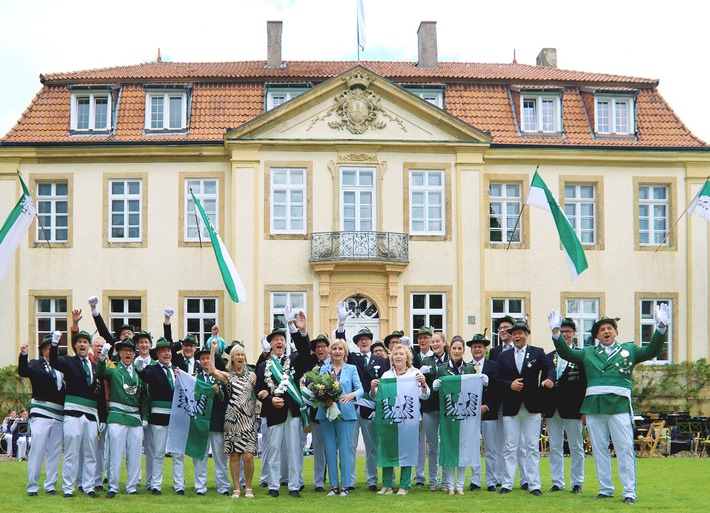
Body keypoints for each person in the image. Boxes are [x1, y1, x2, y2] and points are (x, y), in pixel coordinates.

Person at [549, 306, 669, 505]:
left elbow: (652, 351)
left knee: (624, 449)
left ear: (616, 332)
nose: (606, 331)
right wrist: (555, 333)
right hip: (594, 407)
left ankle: (629, 491)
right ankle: (605, 488)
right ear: (596, 335)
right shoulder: (588, 352)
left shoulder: (628, 350)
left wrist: (661, 328)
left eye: (609, 328)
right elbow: (566, 353)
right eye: (602, 329)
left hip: (618, 406)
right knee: (599, 450)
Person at [255, 308, 310, 499]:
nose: (279, 342)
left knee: (295, 448)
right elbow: (259, 390)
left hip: (293, 411)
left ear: (286, 343)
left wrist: (296, 329)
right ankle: (273, 484)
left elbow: (305, 352)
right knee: (274, 448)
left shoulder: (294, 359)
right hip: (274, 412)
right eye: (275, 340)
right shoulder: (264, 365)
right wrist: (271, 399)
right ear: (270, 345)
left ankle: (294, 485)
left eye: (282, 339)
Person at [495, 321, 554, 496]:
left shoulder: (537, 352)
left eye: (520, 333)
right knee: (510, 447)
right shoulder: (504, 356)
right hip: (511, 407)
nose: (517, 336)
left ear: (526, 335)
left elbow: (550, 367)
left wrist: (549, 378)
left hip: (532, 406)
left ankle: (534, 484)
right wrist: (509, 384)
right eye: (514, 334)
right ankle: (507, 483)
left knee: (531, 447)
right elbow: (496, 379)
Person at [50, 329, 105, 498]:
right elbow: (54, 362)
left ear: (89, 346)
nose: (82, 344)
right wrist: (54, 345)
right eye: (79, 342)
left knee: (91, 453)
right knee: (71, 452)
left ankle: (88, 486)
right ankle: (68, 488)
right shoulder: (68, 362)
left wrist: (102, 417)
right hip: (73, 413)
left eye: (85, 342)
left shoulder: (96, 367)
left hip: (91, 415)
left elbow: (100, 392)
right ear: (75, 345)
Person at [370, 344, 429, 495]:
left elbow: (425, 395)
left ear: (407, 357)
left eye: (401, 354)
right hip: (389, 420)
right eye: (395, 354)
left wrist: (423, 383)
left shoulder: (415, 373)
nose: (398, 357)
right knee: (388, 450)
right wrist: (373, 387)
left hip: (409, 421)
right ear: (391, 358)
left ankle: (404, 484)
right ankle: (387, 485)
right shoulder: (386, 376)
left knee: (407, 450)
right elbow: (376, 397)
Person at [96, 336, 144, 498]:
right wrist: (102, 357)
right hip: (117, 416)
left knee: (135, 453)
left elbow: (145, 394)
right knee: (115, 453)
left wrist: (145, 415)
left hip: (135, 417)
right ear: (120, 353)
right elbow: (100, 372)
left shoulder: (139, 371)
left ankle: (132, 486)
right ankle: (113, 486)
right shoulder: (114, 370)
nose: (128, 354)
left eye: (131, 351)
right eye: (125, 351)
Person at [542, 317, 586, 494]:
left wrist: (584, 409)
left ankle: (577, 482)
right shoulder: (549, 357)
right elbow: (544, 383)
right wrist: (544, 410)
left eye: (568, 331)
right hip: (553, 408)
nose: (565, 334)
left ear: (574, 334)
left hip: (573, 408)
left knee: (576, 446)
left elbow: (585, 383)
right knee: (555, 446)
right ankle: (557, 481)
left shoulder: (581, 355)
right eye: (562, 331)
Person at [18, 333, 65, 496]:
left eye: (54, 347)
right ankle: (32, 485)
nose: (52, 350)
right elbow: (23, 371)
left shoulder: (60, 367)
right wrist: (23, 354)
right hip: (41, 412)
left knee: (54, 451)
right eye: (49, 347)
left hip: (59, 413)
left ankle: (50, 485)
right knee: (37, 449)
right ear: (43, 349)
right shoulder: (35, 364)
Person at [207, 342, 254, 498]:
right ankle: (236, 488)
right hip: (232, 420)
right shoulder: (228, 376)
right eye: (237, 355)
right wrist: (213, 350)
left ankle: (248, 487)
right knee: (234, 455)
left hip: (247, 419)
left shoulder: (252, 375)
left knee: (248, 455)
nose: (240, 357)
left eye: (242, 354)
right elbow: (211, 370)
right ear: (232, 358)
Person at [317, 339, 363, 496]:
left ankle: (346, 486)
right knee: (329, 450)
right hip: (326, 412)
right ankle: (334, 486)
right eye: (334, 349)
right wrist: (324, 398)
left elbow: (360, 389)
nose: (337, 351)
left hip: (345, 413)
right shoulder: (323, 369)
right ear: (330, 352)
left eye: (340, 349)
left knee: (345, 449)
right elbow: (318, 389)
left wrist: (352, 395)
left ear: (345, 352)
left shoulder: (351, 369)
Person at [135, 337, 180, 495]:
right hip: (158, 417)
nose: (167, 353)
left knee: (177, 454)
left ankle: (179, 485)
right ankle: (156, 485)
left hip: (175, 418)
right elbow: (143, 374)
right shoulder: (152, 369)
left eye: (169, 350)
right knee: (158, 453)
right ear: (158, 354)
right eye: (163, 351)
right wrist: (139, 367)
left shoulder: (177, 371)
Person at [433, 336, 477, 494]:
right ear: (449, 350)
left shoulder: (470, 369)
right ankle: (450, 485)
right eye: (454, 348)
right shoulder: (442, 369)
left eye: (460, 348)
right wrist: (436, 386)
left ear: (464, 350)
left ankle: (460, 485)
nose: (457, 351)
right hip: (448, 416)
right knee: (449, 449)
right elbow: (436, 393)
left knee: (464, 450)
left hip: (465, 416)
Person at [487, 315, 523, 489]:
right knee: (501, 442)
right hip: (499, 401)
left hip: (519, 399)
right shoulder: (494, 351)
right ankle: (501, 477)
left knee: (521, 443)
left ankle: (525, 479)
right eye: (500, 328)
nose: (502, 331)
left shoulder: (523, 350)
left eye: (506, 328)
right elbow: (495, 378)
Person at [293, 332, 331, 492]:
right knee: (298, 445)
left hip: (321, 412)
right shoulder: (309, 362)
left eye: (323, 346)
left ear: (328, 349)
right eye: (317, 347)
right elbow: (302, 348)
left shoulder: (332, 365)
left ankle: (319, 482)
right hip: (302, 410)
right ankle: (297, 481)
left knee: (320, 448)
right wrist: (298, 331)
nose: (320, 349)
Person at [465, 333, 499, 492]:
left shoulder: (493, 365)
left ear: (485, 349)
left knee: (491, 449)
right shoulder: (467, 367)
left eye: (480, 346)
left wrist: (488, 406)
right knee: (473, 448)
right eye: (474, 347)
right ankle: (475, 480)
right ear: (471, 350)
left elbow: (498, 390)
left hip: (489, 412)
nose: (477, 349)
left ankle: (492, 480)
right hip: (471, 415)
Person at [419, 331, 449, 491]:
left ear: (444, 343)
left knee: (445, 445)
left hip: (446, 408)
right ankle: (432, 481)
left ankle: (445, 481)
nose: (435, 344)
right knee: (432, 447)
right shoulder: (426, 361)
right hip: (429, 408)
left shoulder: (450, 361)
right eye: (433, 342)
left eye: (438, 341)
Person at [132, 330, 156, 491]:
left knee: (152, 449)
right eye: (141, 342)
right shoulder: (132, 363)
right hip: (134, 408)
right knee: (134, 448)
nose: (144, 345)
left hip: (153, 410)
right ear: (137, 346)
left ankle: (151, 481)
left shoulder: (156, 364)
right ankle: (134, 479)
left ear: (150, 345)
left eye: (146, 342)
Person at [413, 326, 433, 486]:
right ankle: (419, 477)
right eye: (420, 338)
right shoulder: (414, 357)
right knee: (419, 443)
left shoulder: (436, 357)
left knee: (433, 444)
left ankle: (435, 476)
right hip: (416, 405)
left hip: (431, 405)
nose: (422, 340)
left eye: (425, 337)